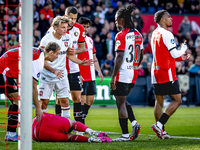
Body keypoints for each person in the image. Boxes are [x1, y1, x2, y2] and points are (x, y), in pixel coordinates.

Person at [0, 42, 61, 141]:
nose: (57, 57)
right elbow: (33, 87)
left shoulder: (38, 53)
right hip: (3, 70)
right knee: (17, 101)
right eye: (57, 54)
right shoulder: (38, 61)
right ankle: (11, 134)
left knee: (17, 101)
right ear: (50, 52)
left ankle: (11, 133)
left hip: (6, 69)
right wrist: (38, 108)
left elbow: (18, 62)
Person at [39, 16, 92, 119]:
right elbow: (41, 60)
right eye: (63, 27)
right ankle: (39, 127)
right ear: (55, 27)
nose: (66, 29)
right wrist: (53, 71)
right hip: (47, 75)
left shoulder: (68, 38)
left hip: (62, 75)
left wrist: (81, 62)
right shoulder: (46, 40)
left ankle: (65, 127)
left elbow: (70, 55)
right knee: (44, 103)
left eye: (66, 27)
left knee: (65, 101)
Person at [151, 10, 191, 139]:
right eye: (168, 17)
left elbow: (165, 54)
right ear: (162, 20)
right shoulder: (167, 34)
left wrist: (181, 58)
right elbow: (174, 54)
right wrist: (183, 49)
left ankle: (161, 131)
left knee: (159, 101)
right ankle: (159, 125)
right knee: (177, 100)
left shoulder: (154, 33)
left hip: (155, 71)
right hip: (166, 72)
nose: (171, 19)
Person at [110, 4, 143, 141]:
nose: (116, 22)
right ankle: (134, 123)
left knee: (120, 103)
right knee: (121, 100)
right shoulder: (138, 34)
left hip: (122, 73)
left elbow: (119, 57)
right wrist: (135, 66)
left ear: (122, 20)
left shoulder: (121, 35)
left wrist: (113, 77)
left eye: (117, 20)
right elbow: (140, 55)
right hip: (133, 73)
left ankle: (124, 135)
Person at [48, 6, 86, 123]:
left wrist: (73, 51)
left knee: (77, 98)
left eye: (75, 19)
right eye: (70, 18)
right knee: (59, 99)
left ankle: (80, 128)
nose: (73, 21)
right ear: (65, 16)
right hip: (59, 69)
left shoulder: (79, 29)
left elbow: (82, 48)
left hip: (74, 69)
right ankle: (60, 125)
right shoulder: (56, 29)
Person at [77, 17, 103, 127]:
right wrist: (77, 74)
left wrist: (99, 71)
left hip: (91, 75)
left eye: (87, 26)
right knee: (81, 100)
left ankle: (80, 120)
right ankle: (81, 126)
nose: (86, 28)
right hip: (81, 74)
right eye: (84, 26)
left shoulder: (90, 40)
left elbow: (94, 57)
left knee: (90, 100)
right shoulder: (75, 40)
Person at [32, 112, 112, 142]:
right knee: (73, 123)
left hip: (38, 135)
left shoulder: (30, 135)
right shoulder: (36, 117)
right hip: (42, 119)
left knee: (70, 137)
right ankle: (89, 131)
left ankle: (90, 139)